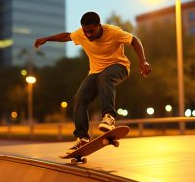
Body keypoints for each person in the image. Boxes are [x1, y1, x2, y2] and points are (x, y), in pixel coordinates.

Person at [34, 11, 151, 154]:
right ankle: (82, 137)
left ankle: (109, 118)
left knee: (105, 77)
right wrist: (47, 38)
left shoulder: (113, 32)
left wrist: (143, 60)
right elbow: (66, 36)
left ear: (99, 26)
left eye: (91, 31)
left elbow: (135, 40)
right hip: (95, 73)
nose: (88, 35)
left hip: (119, 67)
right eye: (85, 31)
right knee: (80, 98)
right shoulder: (81, 34)